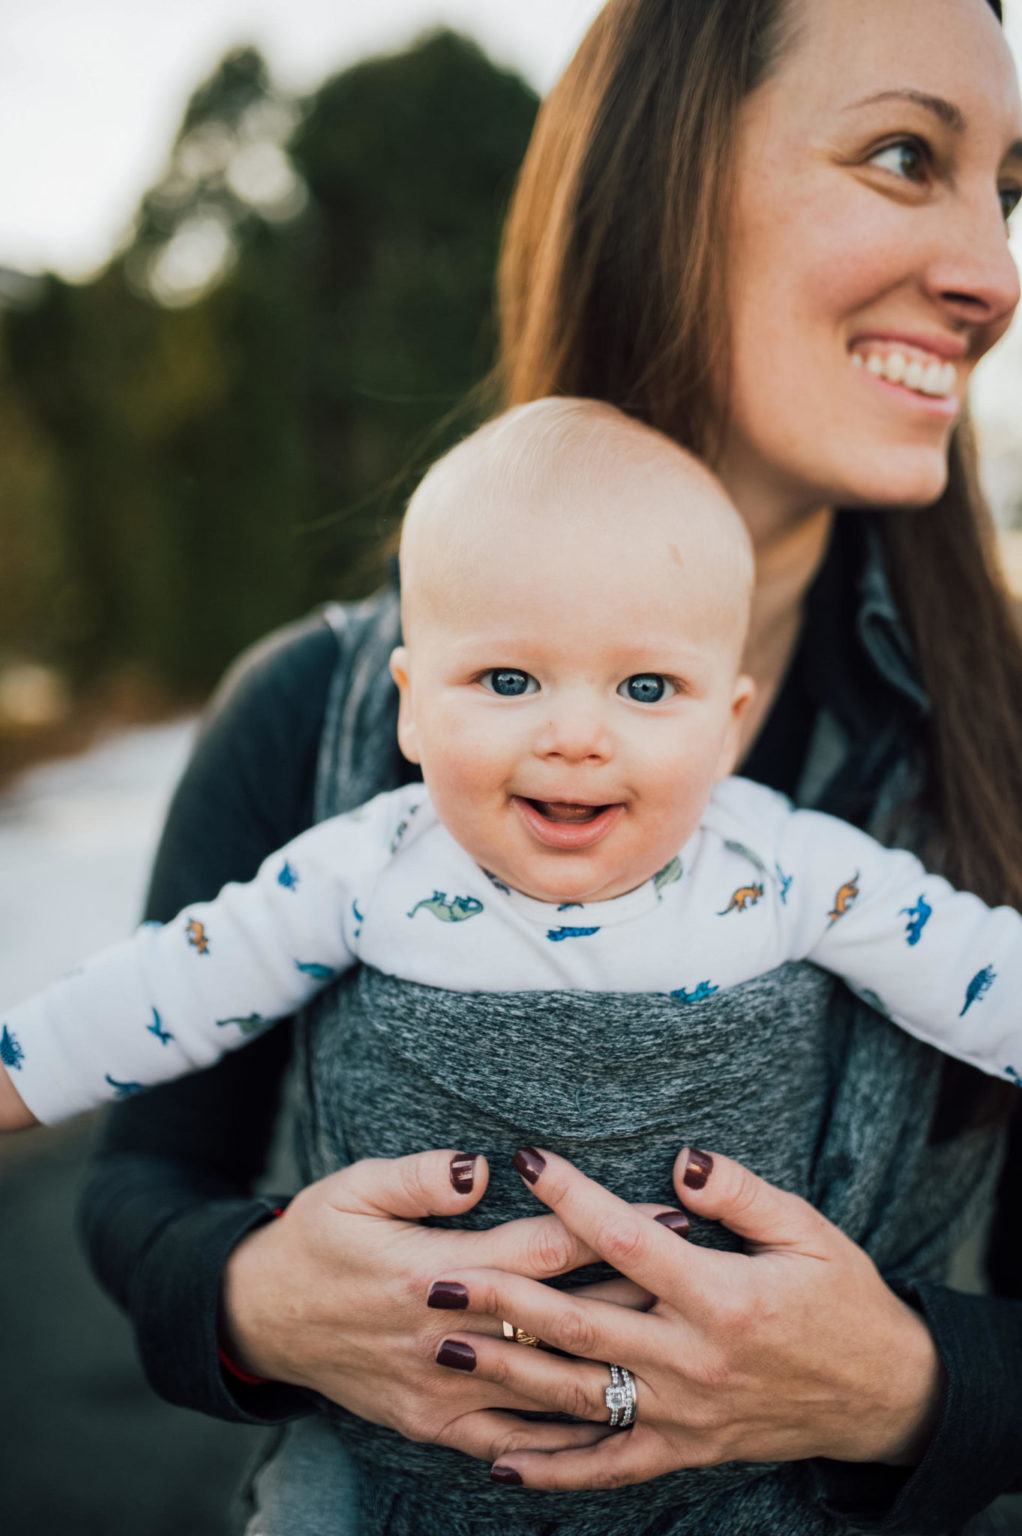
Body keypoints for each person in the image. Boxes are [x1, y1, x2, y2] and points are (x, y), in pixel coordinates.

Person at [80, 1, 1022, 1533]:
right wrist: (257, 1295)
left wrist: (904, 1384)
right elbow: (138, 1192)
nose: (991, 274)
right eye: (904, 155)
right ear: (660, 182)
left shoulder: (1000, 746)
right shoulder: (311, 711)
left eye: (1006, 192)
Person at [7, 399, 1022, 1135]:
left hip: (736, 1411)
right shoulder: (365, 873)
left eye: (644, 689)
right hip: (396, 1415)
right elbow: (169, 982)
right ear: (409, 705)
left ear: (727, 729)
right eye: (505, 680)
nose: (574, 737)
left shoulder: (786, 868)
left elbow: (979, 973)